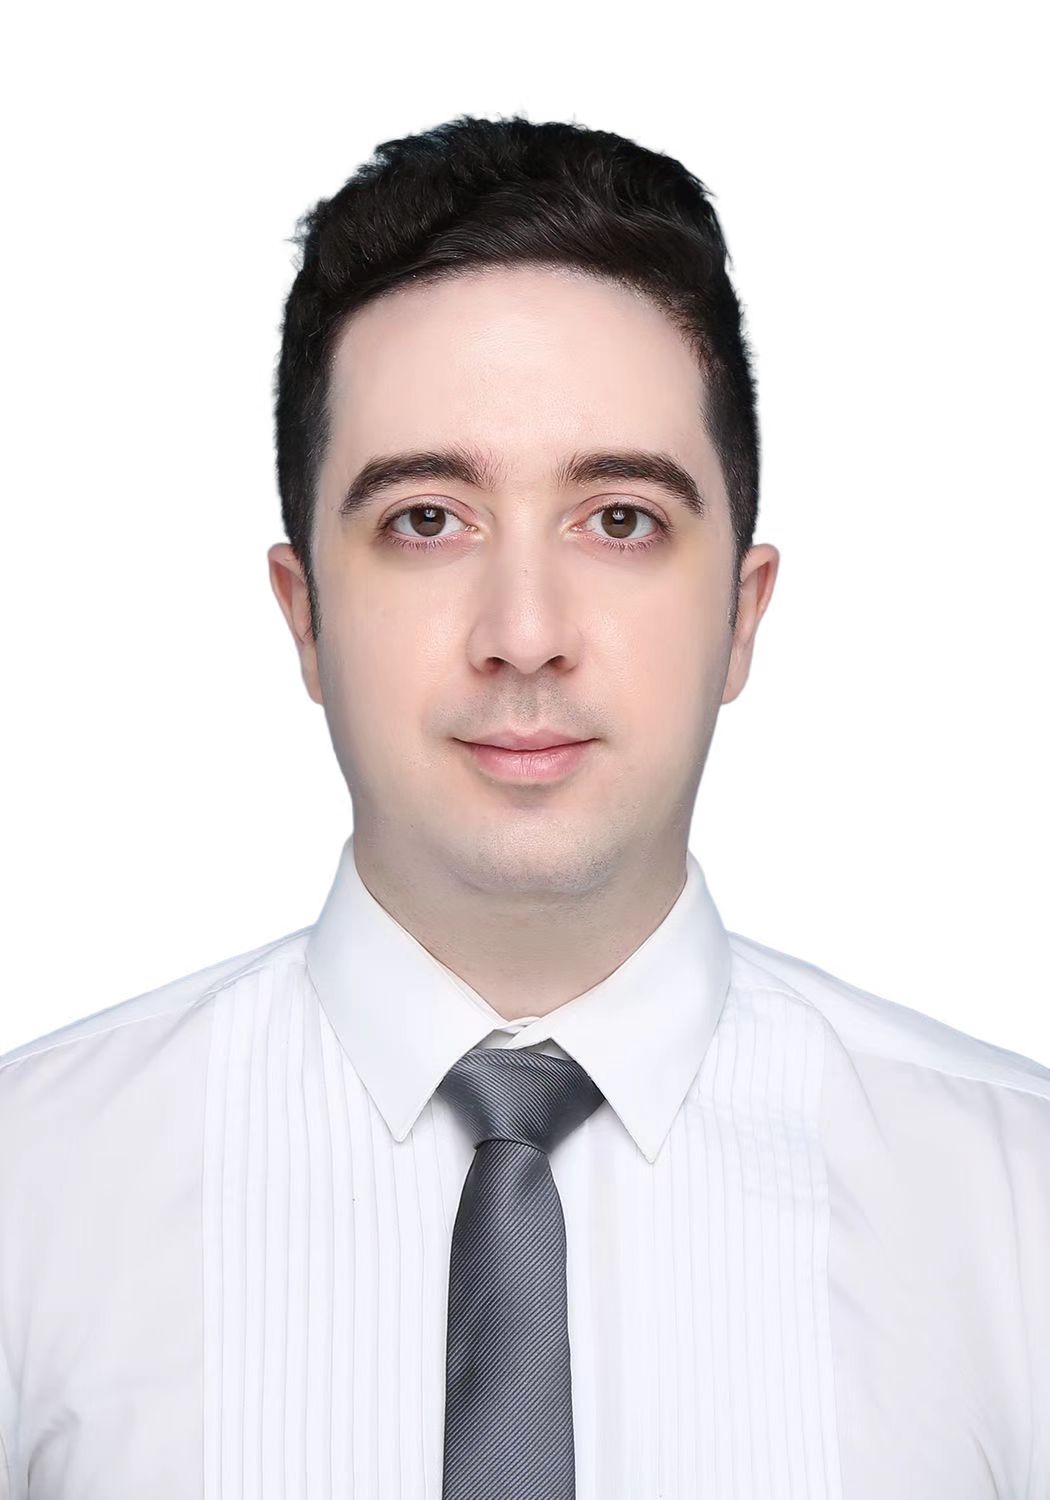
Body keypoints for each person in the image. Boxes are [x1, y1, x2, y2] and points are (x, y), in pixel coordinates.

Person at [0, 114, 1047, 1500]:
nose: (526, 634)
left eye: (619, 518)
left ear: (740, 615)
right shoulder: (30, 1199)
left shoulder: (1015, 1208)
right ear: (304, 617)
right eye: (426, 518)